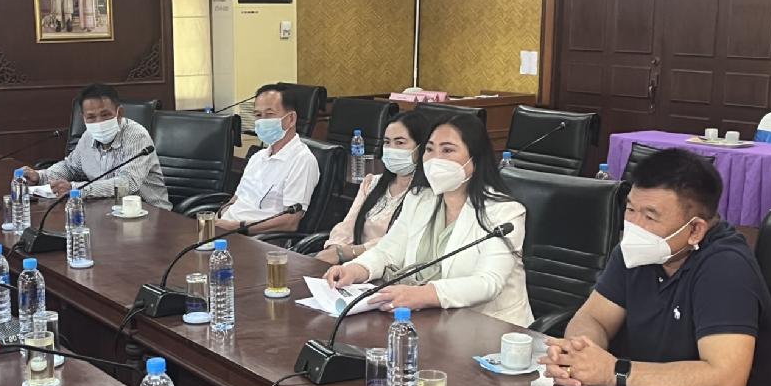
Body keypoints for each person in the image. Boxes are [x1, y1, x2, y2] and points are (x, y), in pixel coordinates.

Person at [541, 148, 771, 386]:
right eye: (630, 209)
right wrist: (579, 354)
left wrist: (614, 371)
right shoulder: (638, 250)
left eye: (650, 216)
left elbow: (725, 381)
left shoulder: (726, 267)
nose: (634, 225)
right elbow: (593, 317)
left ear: (695, 230)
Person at [325, 114, 533, 324]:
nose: (435, 159)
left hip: (493, 327)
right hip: (430, 320)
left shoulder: (505, 212)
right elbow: (387, 251)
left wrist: (423, 295)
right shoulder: (419, 199)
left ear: (476, 159)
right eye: (430, 149)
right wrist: (355, 269)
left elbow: (488, 282)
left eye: (447, 150)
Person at [21, 83, 171, 210]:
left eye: (105, 115)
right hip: (107, 210)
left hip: (149, 212)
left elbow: (127, 183)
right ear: (84, 118)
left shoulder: (136, 136)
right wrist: (41, 177)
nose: (99, 122)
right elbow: (70, 167)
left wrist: (76, 189)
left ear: (119, 113)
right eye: (91, 117)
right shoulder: (88, 136)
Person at [316, 112, 429, 265]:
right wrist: (334, 249)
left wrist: (347, 253)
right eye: (387, 142)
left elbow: (396, 242)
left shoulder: (426, 195)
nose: (391, 149)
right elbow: (347, 226)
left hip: (386, 268)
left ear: (421, 148)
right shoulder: (372, 183)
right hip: (349, 264)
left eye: (400, 143)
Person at [216, 84, 319, 232]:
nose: (262, 121)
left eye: (269, 114)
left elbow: (290, 222)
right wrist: (216, 220)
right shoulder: (257, 157)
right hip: (224, 230)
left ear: (291, 119)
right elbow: (235, 200)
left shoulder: (302, 161)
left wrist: (236, 227)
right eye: (258, 115)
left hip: (253, 238)